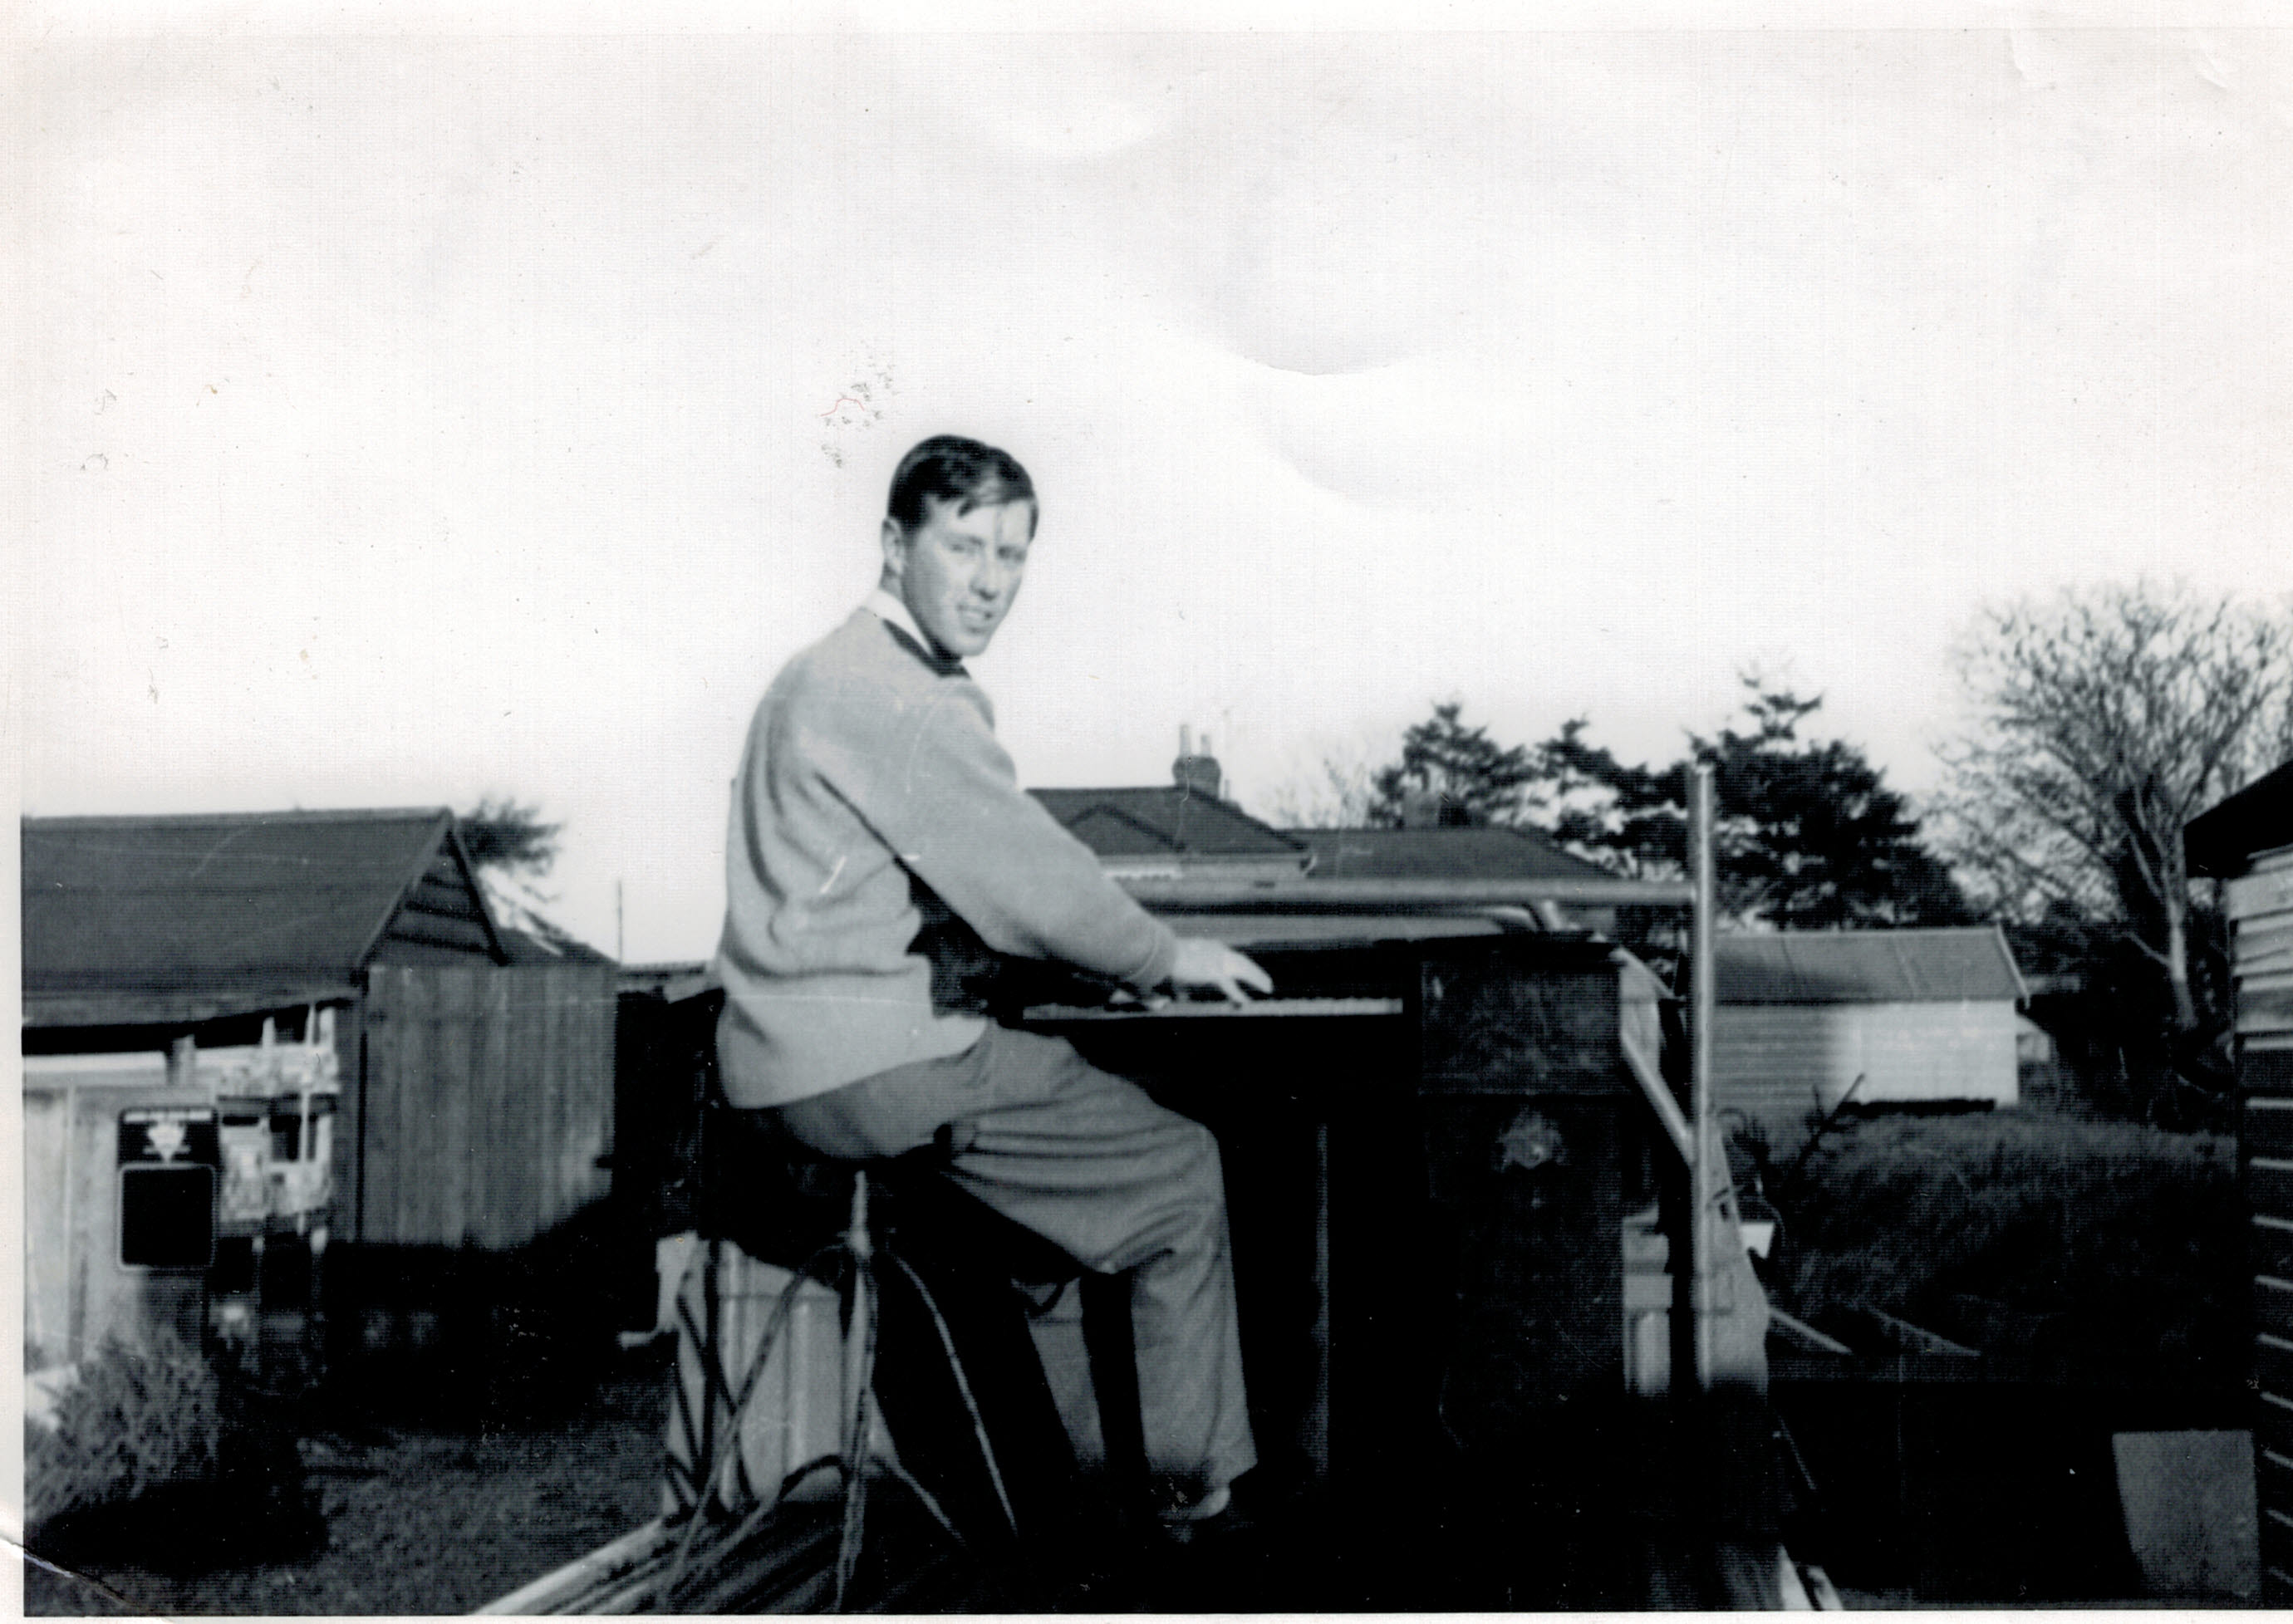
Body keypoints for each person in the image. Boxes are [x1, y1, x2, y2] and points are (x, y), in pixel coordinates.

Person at [711, 433, 1271, 1529]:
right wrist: (1164, 958)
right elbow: (1029, 877)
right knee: (1179, 1171)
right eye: (964, 546)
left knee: (1053, 1229)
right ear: (893, 544)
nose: (988, 583)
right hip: (874, 1070)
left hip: (774, 1070)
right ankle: (1186, 1501)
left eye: (1012, 557)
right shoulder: (904, 693)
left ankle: (1075, 1503)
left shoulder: (812, 674)